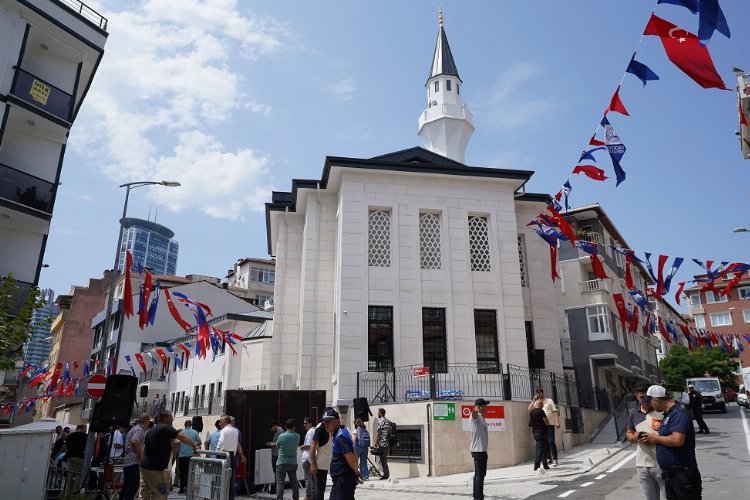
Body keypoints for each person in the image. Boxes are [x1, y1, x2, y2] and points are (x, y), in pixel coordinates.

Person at [639, 385, 701, 500]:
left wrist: (656, 438)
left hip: (682, 474)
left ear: (656, 400)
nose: (650, 405)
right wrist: (653, 438)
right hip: (671, 474)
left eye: (650, 401)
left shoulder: (678, 414)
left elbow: (677, 440)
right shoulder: (668, 414)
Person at [140, 410, 198, 500]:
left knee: (144, 495)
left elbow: (145, 449)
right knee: (161, 495)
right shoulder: (166, 428)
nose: (173, 419)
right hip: (156, 469)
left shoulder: (150, 430)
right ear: (165, 419)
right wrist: (194, 445)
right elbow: (182, 437)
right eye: (171, 417)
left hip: (144, 467)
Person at [625, 383, 665, 500]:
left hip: (662, 463)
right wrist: (635, 437)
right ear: (637, 397)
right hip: (642, 465)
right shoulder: (633, 413)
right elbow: (629, 433)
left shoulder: (661, 410)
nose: (645, 400)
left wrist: (654, 438)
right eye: (641, 397)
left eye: (647, 397)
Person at [326, 408, 362, 500]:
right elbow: (353, 450)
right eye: (325, 422)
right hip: (339, 479)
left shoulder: (340, 437)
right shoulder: (339, 433)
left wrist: (356, 471)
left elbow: (349, 455)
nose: (326, 424)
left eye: (328, 422)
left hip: (343, 479)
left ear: (337, 421)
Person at [120, 413, 150, 500]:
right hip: (134, 462)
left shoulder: (134, 428)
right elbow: (134, 441)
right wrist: (141, 456)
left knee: (126, 486)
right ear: (146, 421)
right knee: (132, 487)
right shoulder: (140, 430)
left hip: (128, 462)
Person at [528, 388, 560, 466]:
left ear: (543, 393)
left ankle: (555, 458)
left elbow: (555, 412)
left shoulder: (549, 401)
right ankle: (549, 458)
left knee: (551, 441)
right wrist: (533, 401)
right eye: (537, 393)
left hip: (550, 424)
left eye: (539, 393)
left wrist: (557, 422)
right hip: (541, 427)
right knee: (545, 443)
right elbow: (529, 410)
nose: (538, 395)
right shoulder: (536, 402)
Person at [217, 414, 245, 500]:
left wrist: (217, 450)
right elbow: (237, 444)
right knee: (231, 479)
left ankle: (221, 497)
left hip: (223, 455)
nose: (219, 423)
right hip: (232, 455)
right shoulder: (236, 431)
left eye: (220, 422)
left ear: (225, 422)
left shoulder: (224, 430)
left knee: (221, 478)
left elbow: (221, 443)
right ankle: (230, 497)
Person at [274, 418, 300, 500]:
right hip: (293, 462)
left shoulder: (282, 436)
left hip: (282, 462)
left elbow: (277, 445)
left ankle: (279, 498)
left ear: (285, 426)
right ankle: (296, 498)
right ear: (294, 427)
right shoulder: (297, 436)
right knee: (294, 482)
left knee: (280, 483)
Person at [309, 411, 333, 500]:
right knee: (320, 489)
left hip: (324, 463)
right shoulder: (320, 428)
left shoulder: (326, 427)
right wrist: (313, 464)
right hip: (320, 463)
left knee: (319, 489)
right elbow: (313, 446)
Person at [470, 398, 489, 500]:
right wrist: (474, 410)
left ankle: (476, 495)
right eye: (485, 405)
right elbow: (473, 414)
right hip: (478, 450)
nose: (487, 407)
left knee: (478, 474)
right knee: (480, 475)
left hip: (481, 450)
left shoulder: (481, 417)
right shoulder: (475, 417)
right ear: (480, 407)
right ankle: (478, 497)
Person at [177, 419, 201, 494]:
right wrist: (195, 446)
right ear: (191, 425)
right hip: (191, 456)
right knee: (190, 472)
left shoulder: (181, 433)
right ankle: (188, 488)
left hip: (181, 456)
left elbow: (177, 444)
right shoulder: (195, 432)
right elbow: (200, 442)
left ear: (184, 425)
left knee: (182, 472)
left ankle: (181, 489)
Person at [529, 399, 550, 475]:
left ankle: (545, 464)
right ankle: (536, 465)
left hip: (535, 432)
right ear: (540, 405)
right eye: (542, 405)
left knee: (543, 448)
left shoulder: (532, 412)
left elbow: (530, 423)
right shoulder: (541, 412)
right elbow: (546, 421)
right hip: (542, 432)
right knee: (540, 449)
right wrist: (548, 425)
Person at [64, 424, 87, 493]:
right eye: (85, 429)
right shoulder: (85, 436)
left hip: (70, 456)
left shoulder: (70, 436)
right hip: (79, 457)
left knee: (70, 474)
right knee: (78, 474)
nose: (85, 431)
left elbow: (65, 447)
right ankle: (75, 491)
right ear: (82, 429)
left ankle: (68, 490)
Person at [300, 417, 317, 500]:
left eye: (305, 423)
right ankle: (314, 494)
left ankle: (308, 495)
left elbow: (309, 445)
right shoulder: (314, 431)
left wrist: (301, 447)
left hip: (307, 457)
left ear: (310, 423)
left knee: (308, 478)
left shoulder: (310, 432)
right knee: (313, 478)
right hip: (311, 457)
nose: (304, 425)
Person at [374, 408, 392, 480]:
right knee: (384, 459)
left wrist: (376, 441)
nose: (377, 414)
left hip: (382, 443)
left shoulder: (381, 421)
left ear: (381, 413)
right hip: (387, 442)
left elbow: (379, 432)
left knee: (383, 459)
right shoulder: (387, 421)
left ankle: (386, 475)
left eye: (378, 413)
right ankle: (386, 474)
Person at [267, 420, 283, 492]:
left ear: (274, 426)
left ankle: (278, 488)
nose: (271, 430)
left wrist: (271, 444)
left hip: (277, 454)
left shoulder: (280, 432)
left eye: (271, 428)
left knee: (277, 472)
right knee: (276, 472)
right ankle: (277, 487)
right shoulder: (277, 432)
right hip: (275, 454)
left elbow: (279, 443)